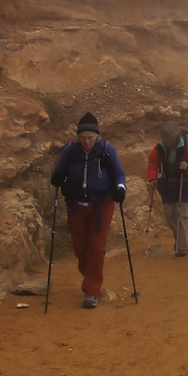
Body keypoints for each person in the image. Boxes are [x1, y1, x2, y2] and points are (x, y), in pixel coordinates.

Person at [49, 112, 126, 308]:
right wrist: (57, 178)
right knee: (80, 247)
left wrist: (119, 189)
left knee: (97, 247)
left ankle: (91, 292)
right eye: (82, 138)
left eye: (90, 138)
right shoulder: (70, 151)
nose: (86, 142)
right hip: (76, 204)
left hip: (102, 204)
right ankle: (90, 275)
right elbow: (59, 171)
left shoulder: (107, 150)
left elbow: (119, 175)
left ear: (96, 137)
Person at [147, 121, 188, 257]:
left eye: (168, 137)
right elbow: (152, 162)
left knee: (182, 214)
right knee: (169, 214)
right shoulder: (160, 147)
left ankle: (182, 248)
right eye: (164, 137)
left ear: (174, 136)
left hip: (186, 183)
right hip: (167, 183)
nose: (166, 140)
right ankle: (179, 240)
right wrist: (153, 178)